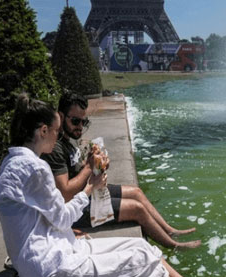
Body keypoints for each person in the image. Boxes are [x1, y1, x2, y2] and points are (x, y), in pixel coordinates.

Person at [0, 93, 224, 277]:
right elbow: (62, 217)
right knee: (140, 259)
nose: (57, 136)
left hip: (55, 256)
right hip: (52, 274)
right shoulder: (34, 169)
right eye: (55, 131)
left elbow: (44, 218)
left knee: (139, 244)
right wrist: (89, 188)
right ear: (43, 131)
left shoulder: (14, 163)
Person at [41, 92, 200, 249]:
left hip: (87, 193)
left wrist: (96, 163)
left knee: (136, 192)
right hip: (75, 209)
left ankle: (169, 230)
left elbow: (76, 170)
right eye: (76, 121)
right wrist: (89, 166)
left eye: (84, 122)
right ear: (61, 116)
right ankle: (174, 246)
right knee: (136, 209)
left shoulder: (68, 140)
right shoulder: (55, 148)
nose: (80, 127)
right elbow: (65, 194)